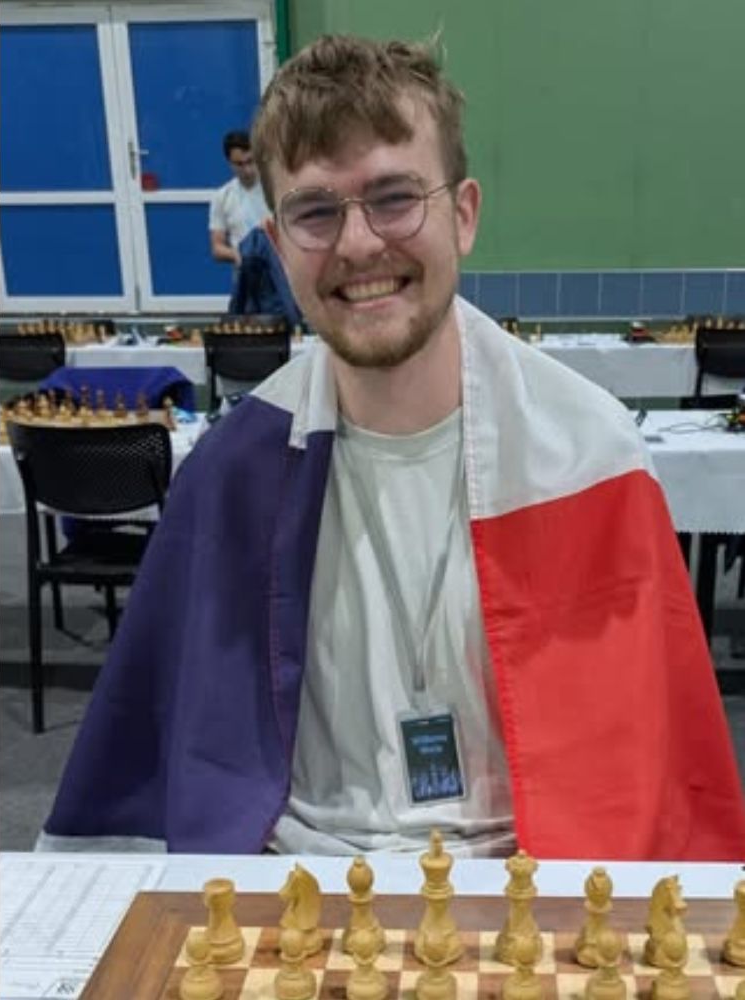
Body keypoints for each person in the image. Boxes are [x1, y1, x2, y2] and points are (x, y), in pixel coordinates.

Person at [43, 35, 745, 859]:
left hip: (530, 877)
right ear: (276, 240)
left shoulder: (588, 454)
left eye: (395, 197)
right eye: (315, 212)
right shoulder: (231, 472)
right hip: (301, 877)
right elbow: (159, 763)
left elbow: (656, 783)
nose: (358, 244)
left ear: (464, 214)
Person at [208, 129, 270, 275]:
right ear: (229, 163)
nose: (247, 170)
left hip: (278, 274)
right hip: (244, 276)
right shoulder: (222, 197)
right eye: (239, 164)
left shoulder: (275, 189)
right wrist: (238, 256)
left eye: (250, 161)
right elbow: (217, 248)